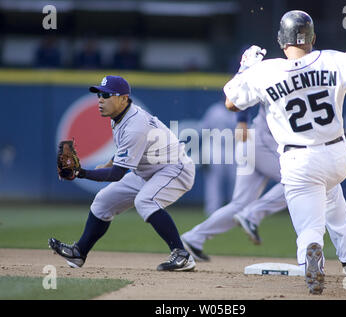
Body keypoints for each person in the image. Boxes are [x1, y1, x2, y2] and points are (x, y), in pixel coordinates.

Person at [224, 10, 346, 294]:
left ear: (281, 40)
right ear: (313, 38)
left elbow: (231, 103)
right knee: (331, 194)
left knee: (309, 226)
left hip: (299, 159)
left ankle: (311, 251)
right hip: (337, 155)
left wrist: (245, 68)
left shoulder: (266, 70)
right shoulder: (333, 59)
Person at [49, 75, 196, 272]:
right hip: (148, 171)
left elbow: (117, 174)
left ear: (123, 98)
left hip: (175, 168)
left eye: (107, 95)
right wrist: (107, 163)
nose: (100, 99)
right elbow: (125, 151)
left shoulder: (135, 125)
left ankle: (182, 255)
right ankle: (79, 252)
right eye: (99, 94)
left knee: (145, 201)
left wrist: (81, 173)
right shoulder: (119, 118)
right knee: (103, 201)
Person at [181, 105, 288, 260]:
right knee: (297, 182)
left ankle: (193, 238)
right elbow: (242, 86)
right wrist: (242, 120)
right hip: (262, 142)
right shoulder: (281, 82)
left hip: (251, 143)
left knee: (240, 204)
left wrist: (242, 120)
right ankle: (252, 214)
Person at [198, 99, 237, 216]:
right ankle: (212, 211)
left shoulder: (240, 111)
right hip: (215, 148)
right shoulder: (214, 110)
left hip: (234, 149)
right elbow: (204, 130)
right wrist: (203, 153)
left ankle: (235, 211)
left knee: (236, 182)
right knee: (213, 182)